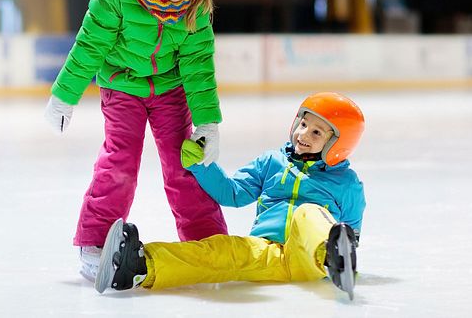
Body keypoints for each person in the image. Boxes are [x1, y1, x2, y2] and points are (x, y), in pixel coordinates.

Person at [43, 0, 228, 281]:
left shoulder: (193, 7)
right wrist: (64, 95)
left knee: (185, 164)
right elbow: (88, 49)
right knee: (120, 161)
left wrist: (207, 120)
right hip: (122, 86)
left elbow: (198, 67)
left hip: (169, 90)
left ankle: (206, 239)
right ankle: (95, 241)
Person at [94, 92, 367, 299]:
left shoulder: (347, 183)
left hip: (311, 258)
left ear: (338, 144)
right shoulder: (272, 163)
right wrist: (203, 166)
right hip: (266, 251)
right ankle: (139, 265)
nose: (303, 134)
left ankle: (333, 257)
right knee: (221, 250)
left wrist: (340, 249)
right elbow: (233, 193)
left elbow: (351, 232)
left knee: (308, 214)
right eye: (303, 123)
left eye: (317, 132)